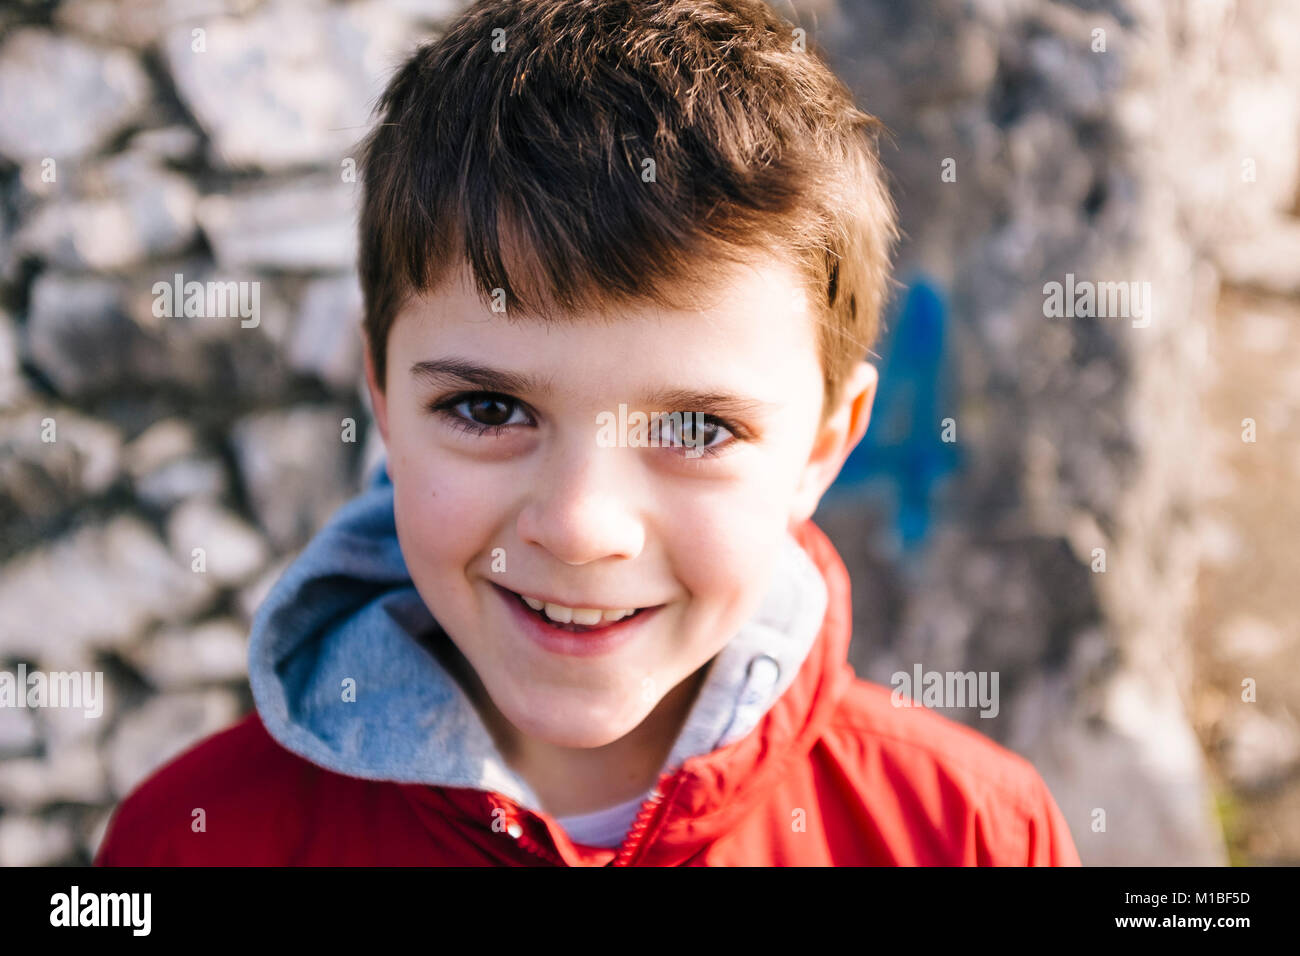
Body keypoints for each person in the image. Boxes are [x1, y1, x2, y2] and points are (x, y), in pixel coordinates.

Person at [96, 0, 1080, 866]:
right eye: (488, 408)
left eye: (696, 426)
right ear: (383, 400)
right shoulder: (193, 838)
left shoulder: (973, 835)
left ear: (824, 447)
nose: (578, 527)